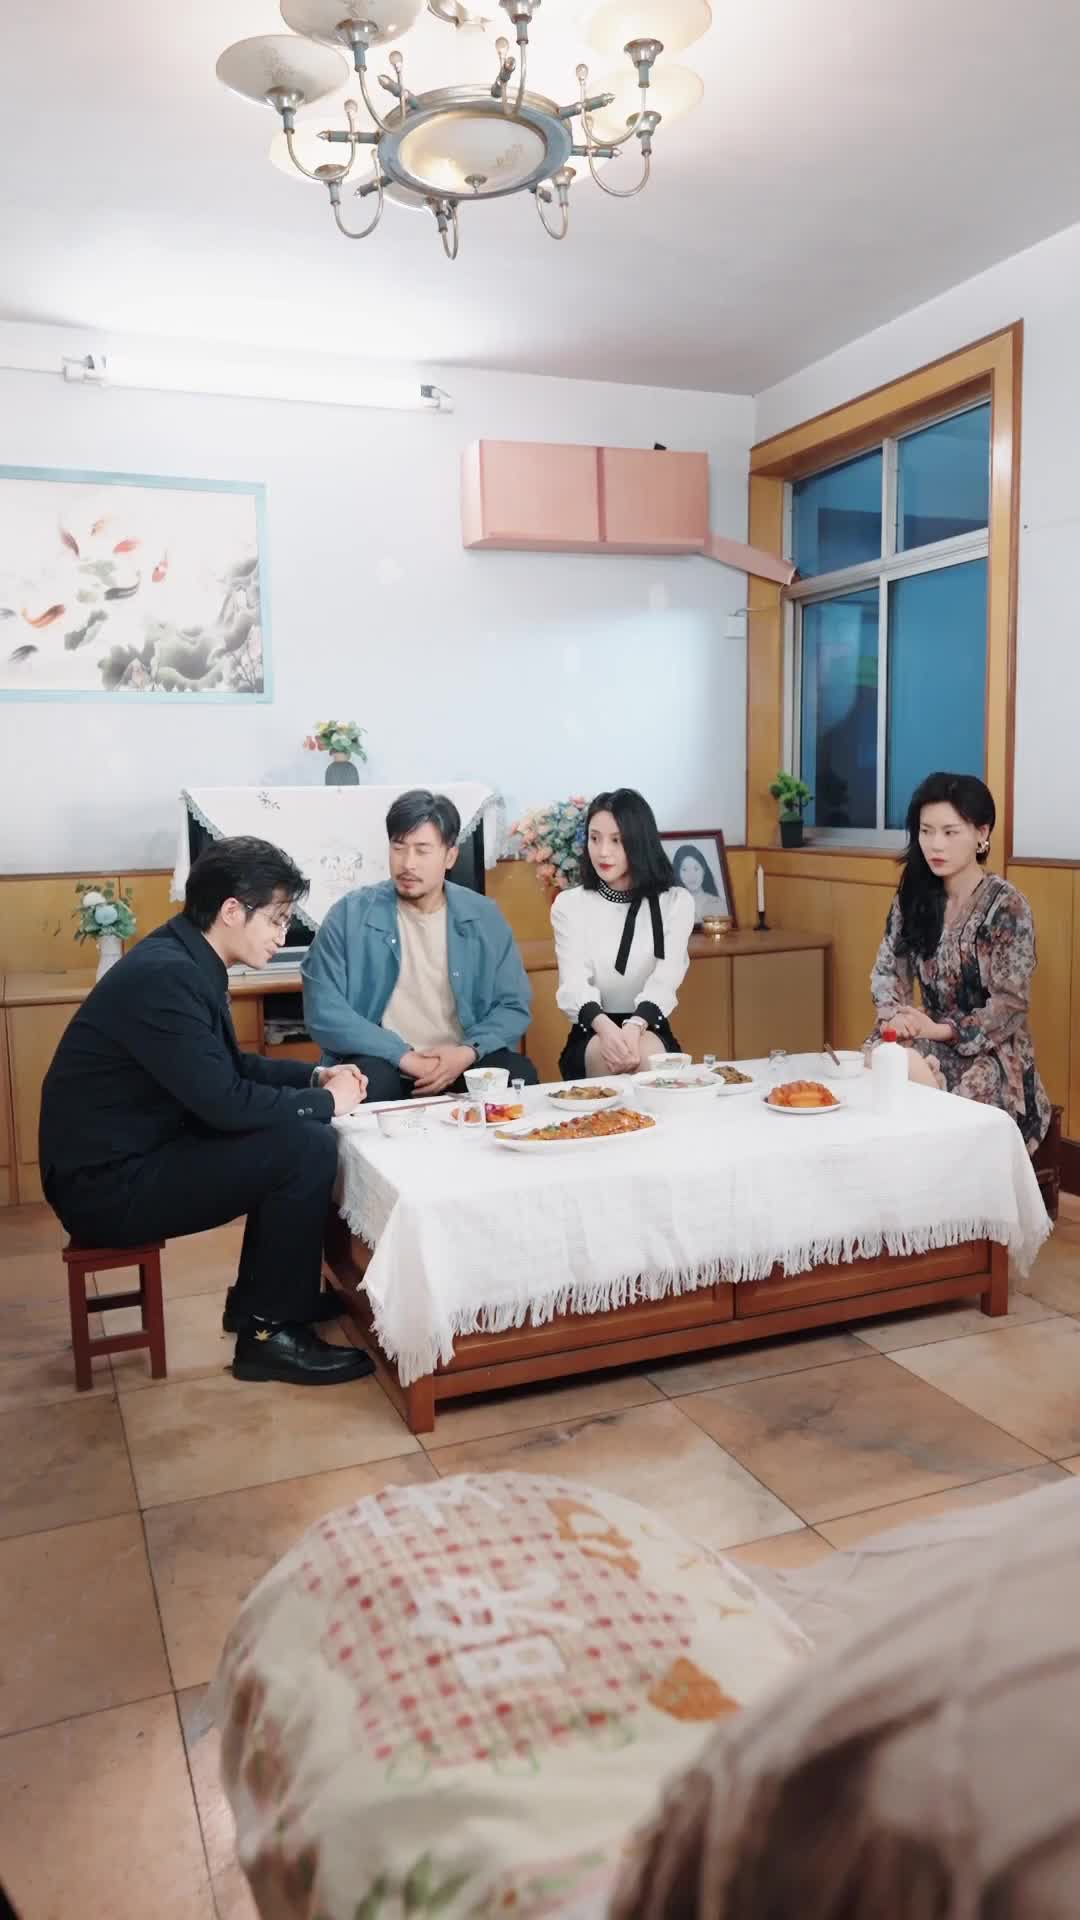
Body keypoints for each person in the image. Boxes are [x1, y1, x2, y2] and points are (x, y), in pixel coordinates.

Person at [39, 836, 374, 1387]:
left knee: (297, 1137)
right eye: (277, 919)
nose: (283, 934)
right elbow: (225, 1104)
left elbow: (227, 1069)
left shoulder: (184, 955)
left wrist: (314, 1077)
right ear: (232, 910)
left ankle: (260, 1301)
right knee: (304, 1146)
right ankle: (268, 1335)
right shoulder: (167, 976)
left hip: (134, 1153)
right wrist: (325, 1102)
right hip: (105, 1186)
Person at [303, 788, 537, 1102]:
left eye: (422, 851)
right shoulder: (349, 915)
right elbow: (324, 1009)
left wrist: (467, 1052)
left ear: (450, 856)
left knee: (518, 1074)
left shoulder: (484, 917)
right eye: (398, 848)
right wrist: (402, 1055)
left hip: (461, 1062)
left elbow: (513, 1005)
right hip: (383, 1062)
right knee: (367, 1084)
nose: (407, 863)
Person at [869, 770, 1050, 1151]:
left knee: (907, 1074)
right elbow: (888, 971)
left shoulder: (1007, 907)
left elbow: (1010, 1005)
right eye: (926, 831)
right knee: (876, 1060)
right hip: (924, 1037)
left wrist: (941, 1030)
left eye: (950, 832)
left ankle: (938, 1168)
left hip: (991, 1054)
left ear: (982, 833)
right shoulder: (912, 897)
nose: (936, 844)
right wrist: (896, 1017)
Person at [552, 788, 695, 1079]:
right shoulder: (569, 904)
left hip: (649, 1024)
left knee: (644, 1055)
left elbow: (666, 978)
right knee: (610, 1057)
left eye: (616, 840)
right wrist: (606, 1029)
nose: (603, 851)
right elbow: (574, 983)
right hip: (591, 1028)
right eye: (595, 838)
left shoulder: (675, 902)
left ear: (639, 841)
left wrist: (634, 1026)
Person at [670, 843, 721, 925]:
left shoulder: (718, 903)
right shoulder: (672, 906)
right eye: (684, 869)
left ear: (704, 870)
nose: (691, 875)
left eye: (696, 869)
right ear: (678, 873)